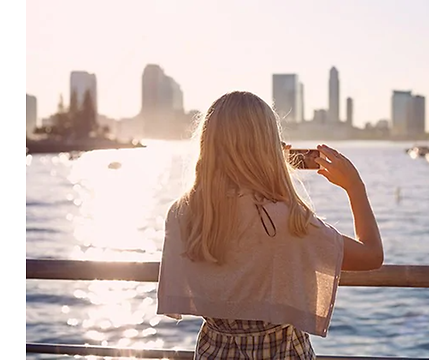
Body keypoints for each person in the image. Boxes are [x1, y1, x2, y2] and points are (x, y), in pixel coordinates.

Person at [157, 91, 383, 359]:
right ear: (270, 148)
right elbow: (371, 255)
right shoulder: (288, 220)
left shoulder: (184, 213)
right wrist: (355, 188)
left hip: (214, 351)